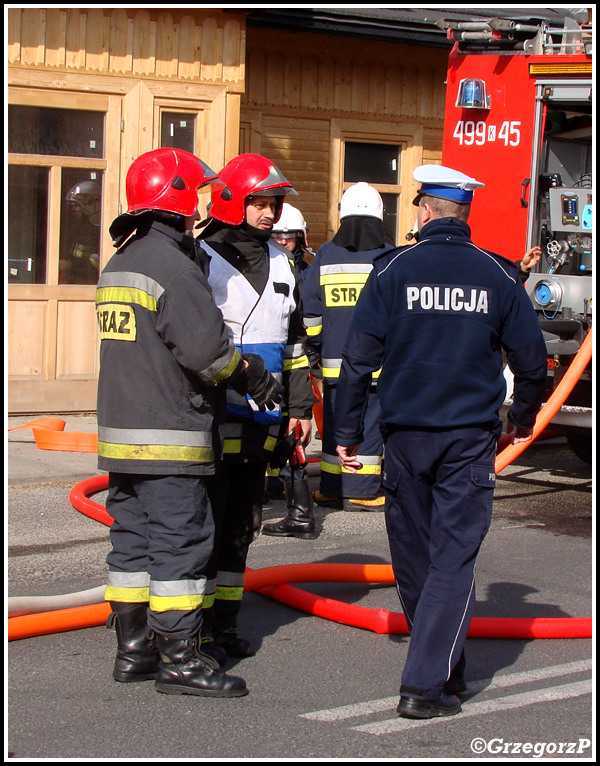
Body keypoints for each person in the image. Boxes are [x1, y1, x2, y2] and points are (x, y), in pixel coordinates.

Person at [334, 164, 548, 719]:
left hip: (405, 435)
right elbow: (532, 364)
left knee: (415, 558)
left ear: (425, 210)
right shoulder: (499, 276)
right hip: (468, 441)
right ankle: (436, 677)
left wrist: (347, 432)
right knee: (452, 561)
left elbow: (358, 361)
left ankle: (427, 681)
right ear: (465, 214)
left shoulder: (392, 270)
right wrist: (521, 420)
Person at [97, 147, 283, 699]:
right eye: (196, 193)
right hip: (171, 435)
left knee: (131, 545)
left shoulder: (122, 261)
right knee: (181, 545)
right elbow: (209, 355)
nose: (202, 203)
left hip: (122, 436)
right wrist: (248, 372)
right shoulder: (175, 268)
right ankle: (180, 660)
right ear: (175, 197)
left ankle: (133, 652)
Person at [196, 153, 316, 662]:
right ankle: (190, 629)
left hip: (264, 415)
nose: (269, 213)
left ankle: (224, 622)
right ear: (231, 200)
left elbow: (293, 344)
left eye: (273, 204)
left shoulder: (284, 260)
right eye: (259, 203)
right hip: (212, 410)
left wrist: (300, 407)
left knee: (243, 522)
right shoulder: (201, 256)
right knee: (206, 522)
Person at [303, 182, 391, 511]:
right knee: (368, 423)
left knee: (337, 423)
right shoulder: (387, 255)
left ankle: (332, 487)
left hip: (334, 364)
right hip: (376, 364)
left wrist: (316, 346)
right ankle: (363, 490)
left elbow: (311, 313)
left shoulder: (325, 254)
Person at [60, 180, 102, 284]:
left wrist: (70, 265)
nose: (73, 210)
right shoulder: (79, 230)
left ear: (89, 205)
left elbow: (99, 263)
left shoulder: (101, 234)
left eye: (77, 206)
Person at [270, 202, 315, 284]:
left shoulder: (308, 274)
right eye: (278, 236)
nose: (283, 242)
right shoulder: (260, 270)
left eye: (290, 236)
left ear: (299, 239)